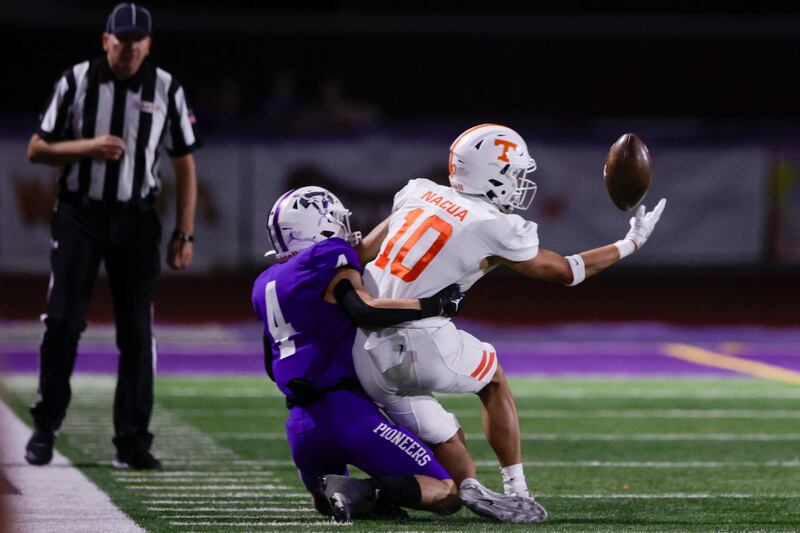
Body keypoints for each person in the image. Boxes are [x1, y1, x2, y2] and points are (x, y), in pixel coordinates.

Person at [352, 123, 666, 516]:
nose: (520, 183)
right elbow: (565, 271)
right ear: (493, 173)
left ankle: (363, 492)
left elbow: (361, 253)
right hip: (420, 342)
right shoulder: (493, 225)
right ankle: (518, 487)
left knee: (454, 486)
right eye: (516, 173)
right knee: (493, 377)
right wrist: (630, 243)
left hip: (363, 352)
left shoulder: (418, 191)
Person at [253, 186, 546, 524]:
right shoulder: (327, 256)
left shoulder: (265, 283)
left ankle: (358, 494)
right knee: (446, 492)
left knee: (329, 497)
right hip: (347, 413)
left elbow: (270, 364)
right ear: (319, 225)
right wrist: (434, 305)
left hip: (301, 426)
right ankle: (363, 490)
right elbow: (362, 308)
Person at [24, 3, 200, 470]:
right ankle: (46, 424)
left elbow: (185, 163)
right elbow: (36, 149)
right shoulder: (77, 80)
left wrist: (185, 230)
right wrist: (89, 147)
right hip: (80, 214)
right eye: (121, 41)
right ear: (106, 41)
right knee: (63, 322)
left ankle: (133, 440)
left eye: (137, 41)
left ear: (149, 44)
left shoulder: (166, 88)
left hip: (137, 220)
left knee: (137, 332)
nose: (129, 49)